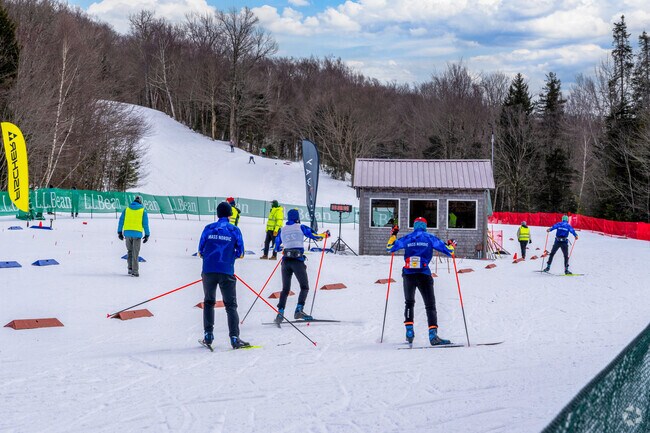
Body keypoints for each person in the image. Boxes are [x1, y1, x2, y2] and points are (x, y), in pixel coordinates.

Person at [387, 217, 454, 346]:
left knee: (409, 302)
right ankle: (433, 335)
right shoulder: (429, 238)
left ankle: (409, 332)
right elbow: (449, 251)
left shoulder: (408, 237)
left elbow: (390, 248)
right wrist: (451, 244)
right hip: (424, 274)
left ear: (414, 226)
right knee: (430, 305)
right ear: (425, 226)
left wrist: (394, 235)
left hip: (408, 274)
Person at [198, 201, 250, 349]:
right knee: (231, 306)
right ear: (230, 214)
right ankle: (234, 338)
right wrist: (229, 256)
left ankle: (208, 336)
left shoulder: (208, 228)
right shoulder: (234, 230)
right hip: (226, 271)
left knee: (209, 302)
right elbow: (240, 253)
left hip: (208, 271)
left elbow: (200, 250)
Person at [272, 209, 328, 324]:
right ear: (297, 217)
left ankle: (280, 313)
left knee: (285, 289)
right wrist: (325, 235)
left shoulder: (282, 230)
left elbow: (276, 248)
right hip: (297, 261)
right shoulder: (301, 227)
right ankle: (299, 310)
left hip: (285, 262)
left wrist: (286, 247)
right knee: (304, 287)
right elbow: (315, 236)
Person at [117, 196, 150, 277]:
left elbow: (121, 221)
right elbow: (145, 224)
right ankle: (135, 271)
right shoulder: (143, 211)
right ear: (140, 202)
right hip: (137, 234)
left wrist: (119, 232)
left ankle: (130, 268)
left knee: (130, 251)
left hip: (127, 234)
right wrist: (147, 234)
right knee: (135, 253)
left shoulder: (127, 210)